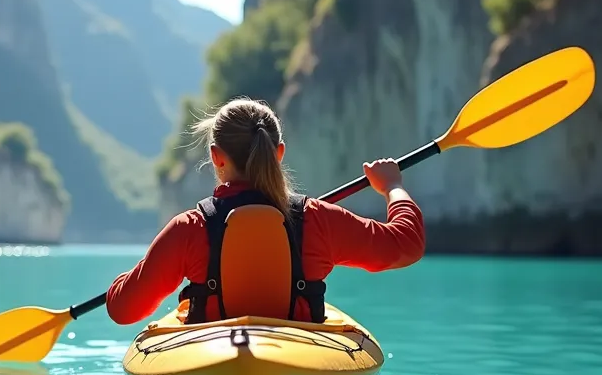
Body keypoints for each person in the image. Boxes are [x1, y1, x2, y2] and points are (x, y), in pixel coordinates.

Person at [106, 98, 426, 326]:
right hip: (297, 357)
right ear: (280, 154)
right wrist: (392, 186)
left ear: (216, 157)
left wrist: (134, 275)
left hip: (212, 357)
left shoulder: (189, 228)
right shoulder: (317, 219)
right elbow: (406, 244)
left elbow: (123, 310)